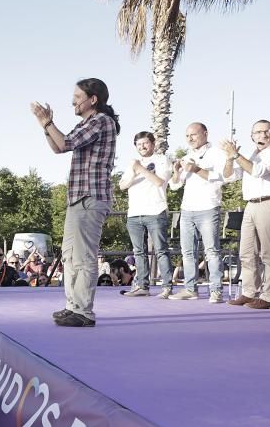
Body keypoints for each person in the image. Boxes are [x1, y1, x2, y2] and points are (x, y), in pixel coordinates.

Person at [31, 78, 120, 327]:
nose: (73, 101)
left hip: (90, 197)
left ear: (93, 99)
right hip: (77, 198)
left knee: (83, 256)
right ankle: (73, 305)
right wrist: (45, 126)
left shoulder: (101, 121)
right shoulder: (86, 123)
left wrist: (48, 122)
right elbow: (58, 148)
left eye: (78, 97)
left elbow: (64, 143)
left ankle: (83, 311)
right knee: (70, 256)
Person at [222, 121, 270, 309]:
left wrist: (236, 155)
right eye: (258, 132)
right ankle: (250, 292)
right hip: (250, 204)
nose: (263, 135)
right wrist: (229, 158)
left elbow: (257, 171)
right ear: (252, 136)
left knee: (269, 253)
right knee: (247, 252)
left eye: (266, 131)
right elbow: (228, 176)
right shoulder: (251, 154)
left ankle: (269, 297)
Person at [167, 122, 228, 303]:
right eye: (187, 136)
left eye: (193, 134)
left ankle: (216, 290)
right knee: (187, 252)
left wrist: (196, 169)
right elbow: (175, 185)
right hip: (187, 209)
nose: (190, 138)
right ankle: (190, 289)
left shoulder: (217, 153)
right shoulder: (186, 157)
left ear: (205, 133)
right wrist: (176, 172)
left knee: (211, 251)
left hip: (208, 207)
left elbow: (220, 178)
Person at [119, 131, 173, 298]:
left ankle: (167, 286)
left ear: (153, 143)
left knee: (161, 250)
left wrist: (140, 168)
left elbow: (159, 181)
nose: (142, 147)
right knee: (138, 252)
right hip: (134, 213)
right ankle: (142, 286)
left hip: (155, 212)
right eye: (138, 144)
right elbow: (122, 185)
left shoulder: (162, 160)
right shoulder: (134, 164)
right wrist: (135, 171)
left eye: (145, 143)